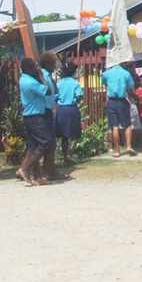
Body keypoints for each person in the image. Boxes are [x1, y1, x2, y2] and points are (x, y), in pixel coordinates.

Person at [18, 57, 50, 186]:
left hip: (30, 116)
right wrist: (41, 75)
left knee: (34, 146)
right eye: (35, 67)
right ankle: (24, 169)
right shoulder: (30, 82)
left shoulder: (24, 79)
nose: (37, 69)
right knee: (45, 142)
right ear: (30, 68)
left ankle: (36, 176)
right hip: (35, 117)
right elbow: (47, 91)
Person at [102, 60, 136, 158]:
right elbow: (130, 88)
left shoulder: (106, 74)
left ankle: (117, 151)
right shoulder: (126, 74)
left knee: (114, 126)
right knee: (127, 125)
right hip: (122, 101)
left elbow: (105, 84)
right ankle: (129, 146)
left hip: (111, 101)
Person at [38, 51, 64, 179]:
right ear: (48, 63)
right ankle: (45, 171)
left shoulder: (48, 76)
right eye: (54, 62)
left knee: (51, 142)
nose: (56, 65)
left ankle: (50, 169)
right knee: (47, 142)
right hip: (44, 111)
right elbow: (44, 93)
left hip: (50, 110)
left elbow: (55, 92)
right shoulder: (42, 75)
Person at [55, 60, 83, 166]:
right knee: (73, 133)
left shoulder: (59, 83)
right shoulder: (75, 83)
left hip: (61, 109)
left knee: (63, 135)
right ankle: (69, 156)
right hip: (72, 109)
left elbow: (55, 97)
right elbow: (79, 95)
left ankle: (65, 156)